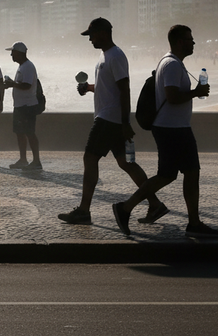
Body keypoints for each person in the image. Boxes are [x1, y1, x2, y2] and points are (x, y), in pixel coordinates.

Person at [112, 25, 218, 238]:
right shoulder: (171, 64)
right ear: (180, 42)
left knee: (188, 173)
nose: (193, 42)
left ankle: (194, 222)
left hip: (176, 127)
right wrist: (195, 92)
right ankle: (125, 208)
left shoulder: (172, 62)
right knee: (167, 175)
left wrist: (193, 92)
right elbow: (171, 97)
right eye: (190, 39)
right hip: (172, 129)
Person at [58, 18, 167, 225]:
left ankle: (83, 211)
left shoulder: (116, 56)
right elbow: (108, 87)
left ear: (103, 33)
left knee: (90, 158)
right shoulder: (105, 56)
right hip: (111, 117)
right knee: (125, 162)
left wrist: (126, 122)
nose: (89, 39)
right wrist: (89, 88)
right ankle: (155, 204)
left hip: (109, 118)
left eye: (91, 34)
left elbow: (124, 89)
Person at [3, 42, 42, 171]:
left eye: (13, 52)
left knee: (29, 133)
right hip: (20, 106)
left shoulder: (28, 67)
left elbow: (27, 85)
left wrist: (12, 84)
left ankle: (36, 161)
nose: (11, 55)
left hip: (27, 106)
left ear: (19, 53)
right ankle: (23, 159)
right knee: (20, 133)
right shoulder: (23, 66)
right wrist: (12, 84)